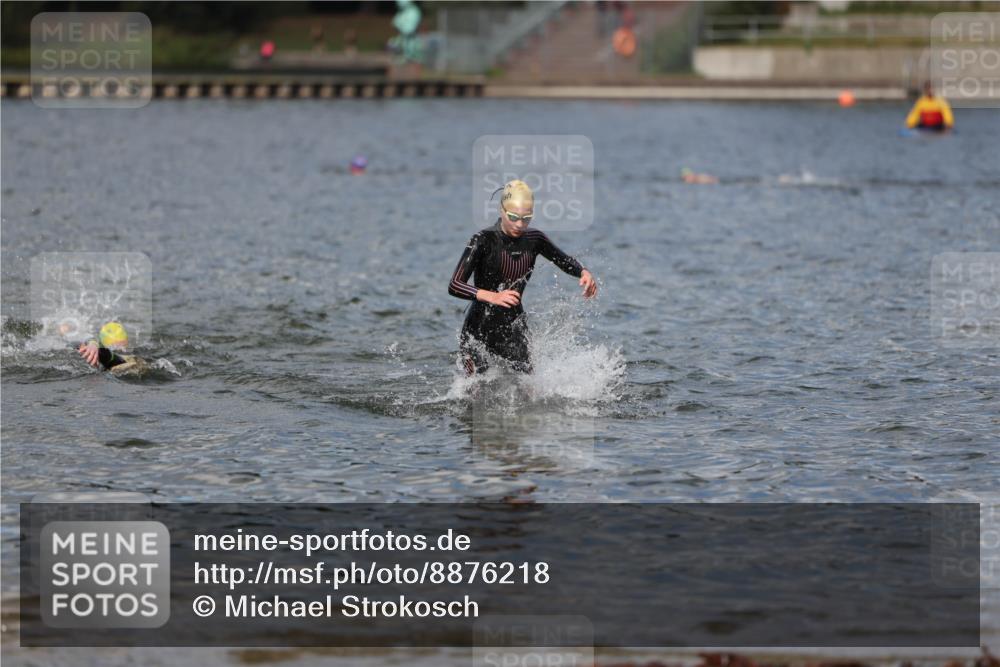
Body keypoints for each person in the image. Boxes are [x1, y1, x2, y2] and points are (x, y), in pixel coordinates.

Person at [448, 180, 598, 375]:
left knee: (529, 386)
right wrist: (492, 296)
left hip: (514, 324)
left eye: (526, 218)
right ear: (501, 210)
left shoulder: (534, 239)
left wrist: (583, 272)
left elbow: (563, 260)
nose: (520, 224)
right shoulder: (483, 240)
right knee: (473, 391)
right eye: (513, 217)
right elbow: (454, 285)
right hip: (478, 327)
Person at [77, 321, 149, 377]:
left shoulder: (134, 355)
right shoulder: (109, 356)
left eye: (123, 347)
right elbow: (108, 355)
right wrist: (93, 344)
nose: (122, 349)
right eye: (116, 347)